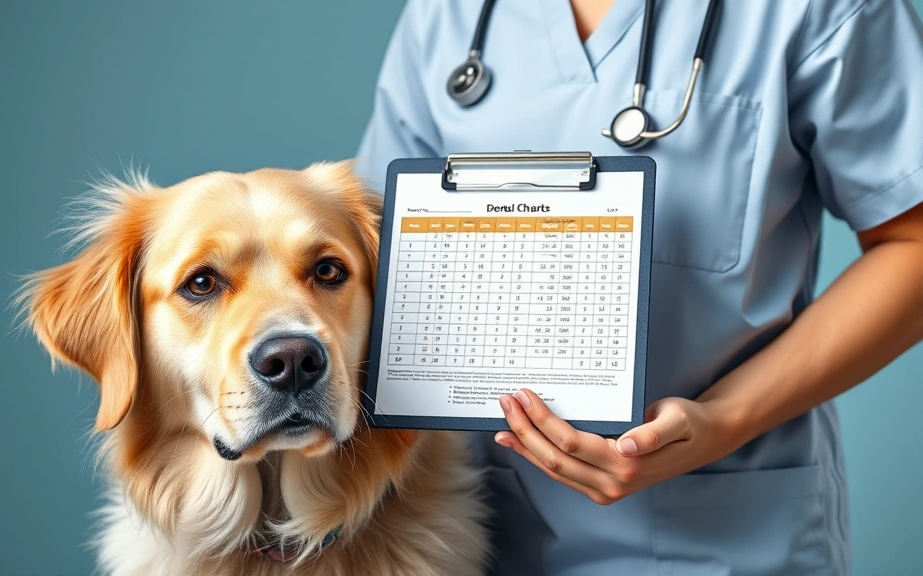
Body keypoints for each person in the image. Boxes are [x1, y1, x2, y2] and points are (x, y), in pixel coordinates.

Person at [355, 0, 923, 574]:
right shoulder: (447, 15)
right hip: (469, 530)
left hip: (722, 535)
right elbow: (375, 259)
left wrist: (720, 421)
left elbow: (914, 244)